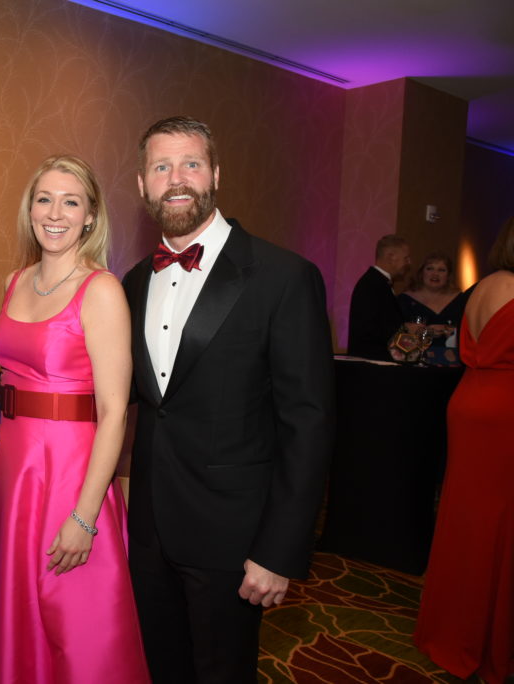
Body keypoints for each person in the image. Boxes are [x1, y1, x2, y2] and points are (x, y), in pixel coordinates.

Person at [122, 116, 334, 682]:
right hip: (149, 531)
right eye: (161, 167)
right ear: (142, 184)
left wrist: (279, 551)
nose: (176, 179)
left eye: (190, 163)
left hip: (234, 538)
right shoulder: (133, 282)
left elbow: (308, 425)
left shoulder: (284, 277)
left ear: (215, 174)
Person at [0, 155, 150, 683]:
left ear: (90, 216)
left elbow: (115, 411)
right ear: (30, 209)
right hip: (4, 469)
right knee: (6, 608)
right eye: (44, 199)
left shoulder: (101, 290)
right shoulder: (13, 280)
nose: (55, 213)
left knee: (74, 626)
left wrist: (85, 515)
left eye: (70, 201)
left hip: (68, 476)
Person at [414, 217, 514, 684]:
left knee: (465, 518)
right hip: (504, 409)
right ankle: (488, 638)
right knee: (498, 523)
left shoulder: (482, 285)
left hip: (469, 399)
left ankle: (453, 629)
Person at [347, 234, 410, 360]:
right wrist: (405, 329)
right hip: (372, 363)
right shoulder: (372, 284)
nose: (409, 263)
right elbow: (369, 328)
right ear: (391, 257)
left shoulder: (378, 282)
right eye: (406, 258)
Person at [398, 252, 467, 365]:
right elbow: (392, 330)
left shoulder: (461, 299)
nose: (435, 274)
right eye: (430, 269)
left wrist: (451, 331)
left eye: (441, 270)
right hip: (414, 363)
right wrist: (415, 330)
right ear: (421, 273)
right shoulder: (404, 299)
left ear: (449, 275)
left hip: (453, 364)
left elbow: (470, 331)